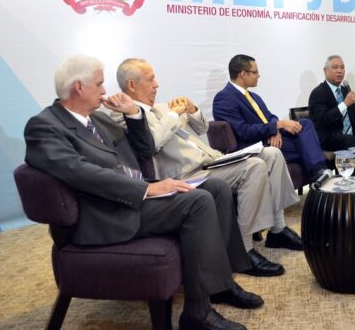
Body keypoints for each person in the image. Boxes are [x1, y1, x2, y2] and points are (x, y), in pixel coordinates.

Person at [24, 55, 261, 330]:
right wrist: (147, 188)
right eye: (99, 84)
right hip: (104, 212)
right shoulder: (44, 126)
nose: (105, 90)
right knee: (197, 202)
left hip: (128, 199)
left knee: (216, 188)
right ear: (79, 87)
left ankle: (220, 285)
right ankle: (197, 313)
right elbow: (79, 172)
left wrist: (133, 114)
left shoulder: (96, 118)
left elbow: (144, 149)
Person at [115, 58, 303, 279]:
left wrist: (192, 109)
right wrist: (174, 115)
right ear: (132, 84)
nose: (157, 84)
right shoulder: (125, 115)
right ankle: (243, 250)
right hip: (186, 173)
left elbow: (202, 127)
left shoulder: (163, 107)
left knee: (272, 154)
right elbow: (151, 143)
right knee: (254, 166)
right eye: (151, 79)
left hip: (210, 160)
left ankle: (278, 229)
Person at [212, 54, 331, 184]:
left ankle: (319, 171)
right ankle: (319, 172)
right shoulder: (224, 98)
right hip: (256, 146)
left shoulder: (254, 96)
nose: (259, 75)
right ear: (243, 74)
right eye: (255, 72)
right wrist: (276, 126)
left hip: (270, 138)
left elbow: (271, 117)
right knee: (309, 144)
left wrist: (276, 131)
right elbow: (244, 131)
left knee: (305, 124)